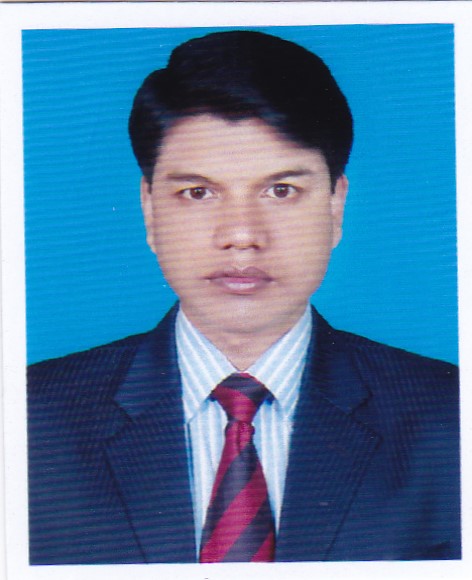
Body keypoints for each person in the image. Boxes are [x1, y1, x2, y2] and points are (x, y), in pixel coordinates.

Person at [27, 30, 460, 564]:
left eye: (281, 191)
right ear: (150, 209)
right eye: (198, 192)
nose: (241, 234)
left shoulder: (450, 417)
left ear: (335, 206)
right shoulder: (29, 419)